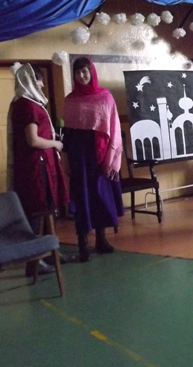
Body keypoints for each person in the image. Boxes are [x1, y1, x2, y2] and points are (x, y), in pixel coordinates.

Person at [7, 63, 71, 276]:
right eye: (39, 80)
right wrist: (55, 144)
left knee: (46, 210)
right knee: (37, 210)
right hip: (36, 166)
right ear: (30, 80)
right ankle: (35, 261)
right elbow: (33, 140)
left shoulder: (24, 103)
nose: (42, 85)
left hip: (38, 164)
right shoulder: (27, 105)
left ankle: (50, 252)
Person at [63, 57, 124, 262]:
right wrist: (66, 159)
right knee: (81, 197)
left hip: (99, 154)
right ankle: (83, 245)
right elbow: (67, 134)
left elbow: (113, 127)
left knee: (100, 197)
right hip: (78, 156)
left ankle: (101, 239)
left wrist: (109, 158)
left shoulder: (105, 97)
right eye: (78, 72)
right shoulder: (70, 100)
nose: (82, 76)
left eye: (85, 71)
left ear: (92, 72)